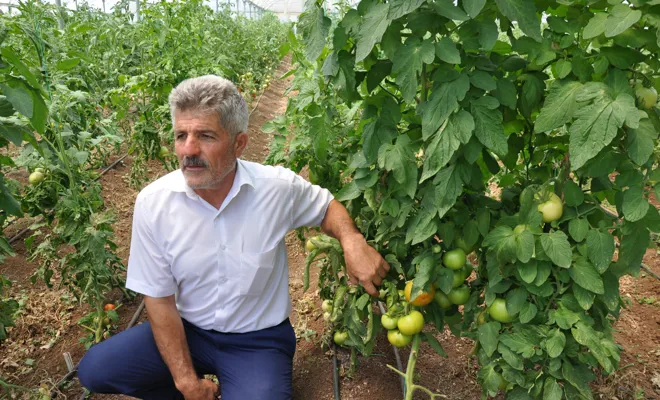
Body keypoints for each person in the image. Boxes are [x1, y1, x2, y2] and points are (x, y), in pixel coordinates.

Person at [77, 75, 389, 400]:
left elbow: (326, 207)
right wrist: (187, 383)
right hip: (187, 328)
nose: (189, 149)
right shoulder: (154, 203)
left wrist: (352, 240)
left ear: (239, 144)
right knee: (97, 369)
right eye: (181, 135)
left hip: (256, 339)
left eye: (205, 136)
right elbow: (158, 299)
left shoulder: (276, 189)